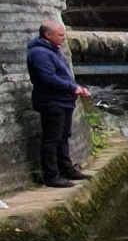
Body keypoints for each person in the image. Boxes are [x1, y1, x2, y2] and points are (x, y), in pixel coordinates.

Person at [26, 17, 92, 187]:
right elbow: (48, 78)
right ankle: (51, 175)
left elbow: (63, 75)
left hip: (63, 101)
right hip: (51, 101)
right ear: (48, 35)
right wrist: (72, 88)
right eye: (60, 35)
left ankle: (66, 169)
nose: (63, 38)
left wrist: (77, 87)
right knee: (51, 139)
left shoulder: (53, 50)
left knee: (63, 137)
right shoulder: (39, 53)